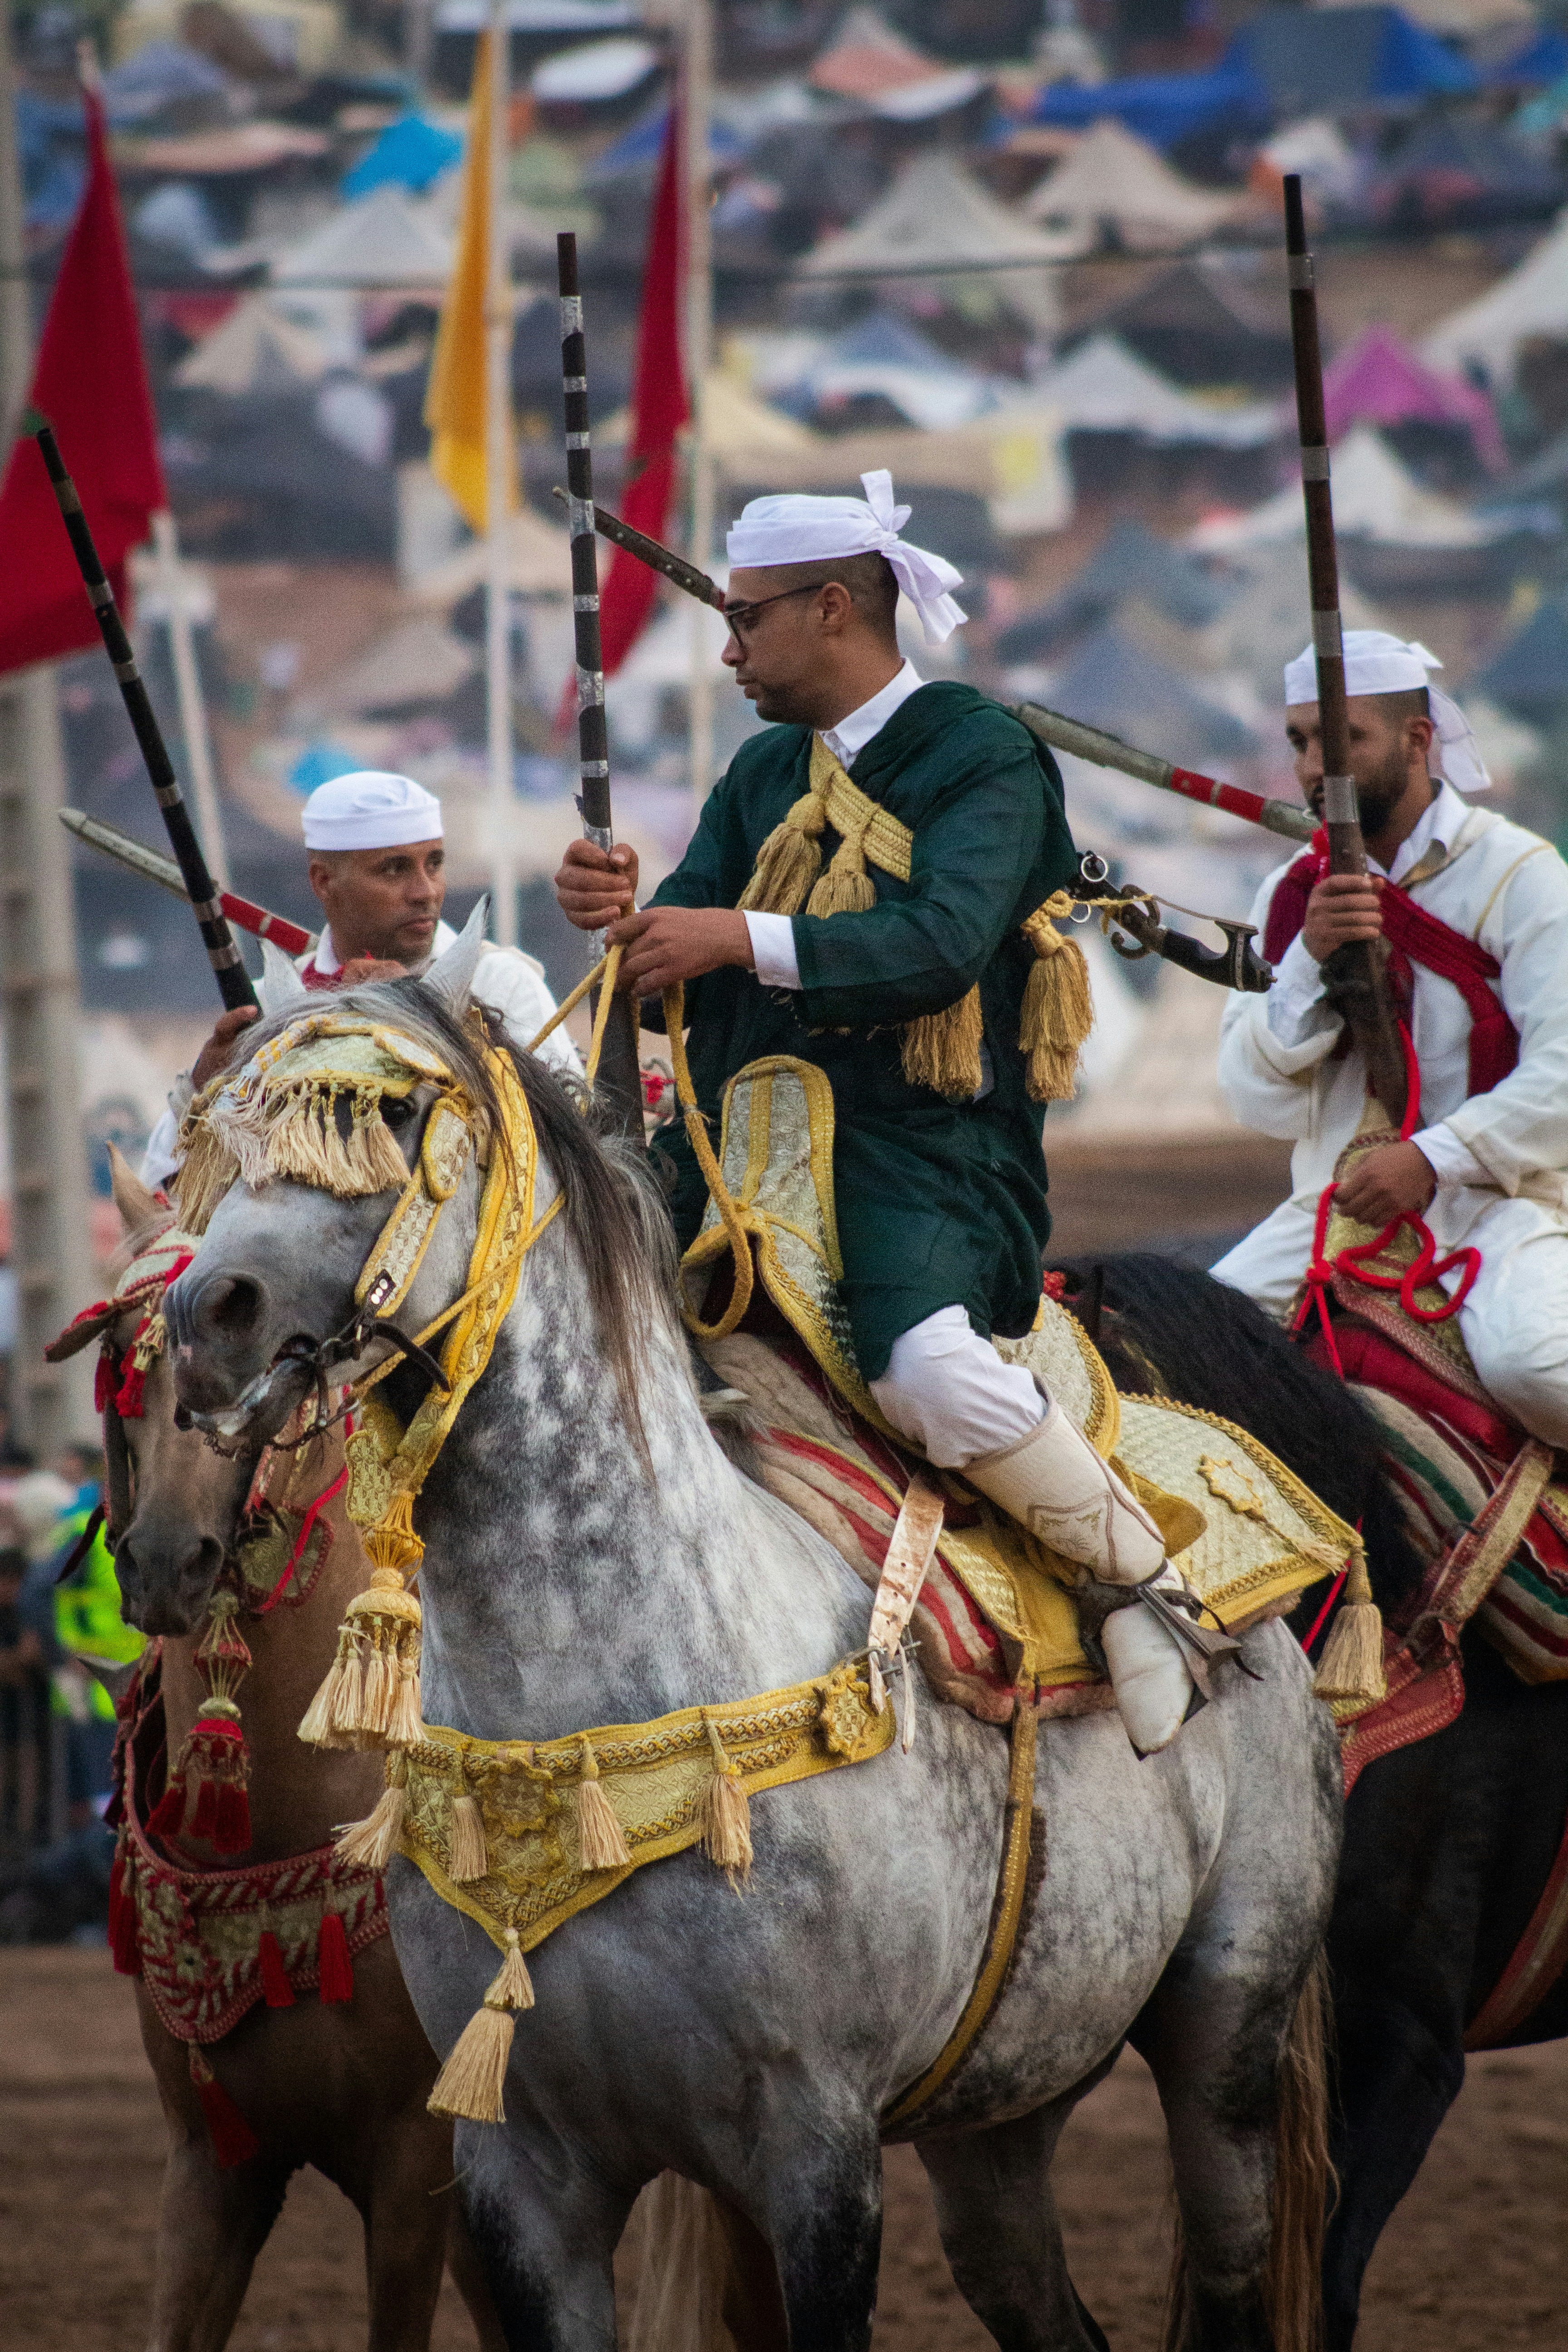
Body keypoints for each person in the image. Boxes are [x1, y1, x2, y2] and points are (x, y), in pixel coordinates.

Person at [554, 471, 1218, 1753]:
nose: (730, 646)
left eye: (749, 619)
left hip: (923, 1156)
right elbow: (667, 976)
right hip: (737, 1160)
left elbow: (940, 946)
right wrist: (622, 920)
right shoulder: (759, 774)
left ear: (836, 607)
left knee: (926, 1371)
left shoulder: (983, 753)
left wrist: (729, 932)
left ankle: (1146, 1583)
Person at [1212, 632, 1568, 1446]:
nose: (1313, 770)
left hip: (1500, 1209)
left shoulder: (1520, 874)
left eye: (1343, 742)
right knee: (1180, 1360)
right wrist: (1309, 956)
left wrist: (1431, 1159)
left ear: (1418, 740)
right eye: (1301, 742)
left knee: (1536, 1368)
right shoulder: (1291, 893)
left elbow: (1562, 1074)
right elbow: (1252, 1095)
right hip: (1330, 1216)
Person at [143, 771, 579, 1190]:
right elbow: (160, 1187)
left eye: (435, 864)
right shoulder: (265, 1009)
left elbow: (574, 1139)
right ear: (325, 881)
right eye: (395, 869)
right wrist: (203, 1088)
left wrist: (418, 1013)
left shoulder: (501, 983)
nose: (425, 890)